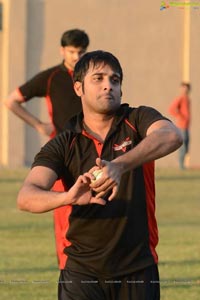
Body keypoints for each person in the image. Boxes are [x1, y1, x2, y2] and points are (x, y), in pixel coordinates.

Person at [17, 50, 183, 300]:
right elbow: (26, 197)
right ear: (78, 88)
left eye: (115, 80)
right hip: (81, 272)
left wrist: (119, 165)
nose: (108, 86)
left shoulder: (137, 120)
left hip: (137, 269)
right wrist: (68, 197)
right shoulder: (65, 142)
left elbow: (172, 136)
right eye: (99, 78)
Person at [4, 29, 90, 269]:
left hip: (93, 154)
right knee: (64, 213)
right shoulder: (51, 77)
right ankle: (68, 270)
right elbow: (10, 100)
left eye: (81, 51)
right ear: (62, 50)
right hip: (63, 156)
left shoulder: (92, 77)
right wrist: (38, 124)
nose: (76, 56)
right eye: (72, 51)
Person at [168, 82, 191, 169]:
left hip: (186, 126)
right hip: (181, 126)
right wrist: (180, 116)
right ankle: (181, 166)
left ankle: (182, 164)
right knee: (183, 146)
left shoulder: (187, 99)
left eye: (186, 88)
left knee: (187, 146)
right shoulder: (180, 98)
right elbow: (171, 109)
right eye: (183, 88)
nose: (185, 90)